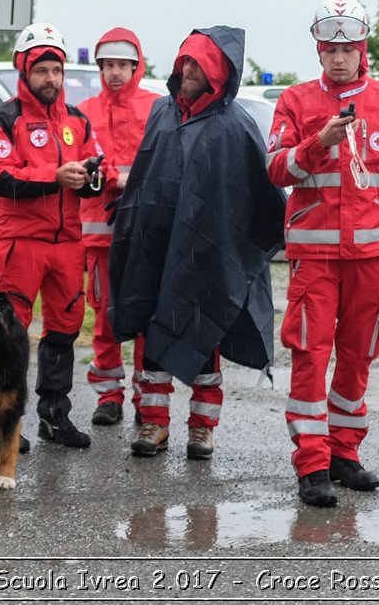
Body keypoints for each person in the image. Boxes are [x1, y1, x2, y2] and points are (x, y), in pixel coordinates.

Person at [267, 0, 379, 507]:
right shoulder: (294, 101)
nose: (338, 57)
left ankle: (344, 455)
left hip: (372, 261)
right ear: (317, 50)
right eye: (329, 48)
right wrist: (319, 142)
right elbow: (276, 170)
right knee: (310, 356)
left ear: (363, 49)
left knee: (358, 357)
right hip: (315, 261)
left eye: (348, 47)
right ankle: (311, 463)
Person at [109, 26, 285, 460]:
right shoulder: (162, 114)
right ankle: (153, 423)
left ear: (218, 74)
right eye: (184, 61)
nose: (186, 70)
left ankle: (202, 429)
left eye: (198, 65)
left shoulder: (236, 127)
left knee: (203, 337)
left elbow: (256, 199)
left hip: (207, 252)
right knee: (153, 332)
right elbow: (147, 176)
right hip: (157, 244)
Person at [0, 22, 103, 449]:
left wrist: (98, 178)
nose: (51, 79)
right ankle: (3, 421)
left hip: (69, 244)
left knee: (64, 332)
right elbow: (1, 178)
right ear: (24, 70)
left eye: (57, 70)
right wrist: (56, 176)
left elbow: (91, 174)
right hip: (22, 243)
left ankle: (55, 417)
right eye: (43, 70)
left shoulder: (78, 120)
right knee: (10, 335)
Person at [75, 28, 158, 428]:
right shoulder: (84, 111)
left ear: (135, 66)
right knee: (105, 318)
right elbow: (81, 158)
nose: (114, 73)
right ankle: (108, 396)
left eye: (122, 65)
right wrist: (111, 176)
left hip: (145, 234)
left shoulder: (157, 107)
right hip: (98, 233)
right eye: (107, 65)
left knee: (144, 317)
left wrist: (134, 181)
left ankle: (148, 397)